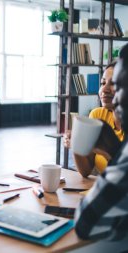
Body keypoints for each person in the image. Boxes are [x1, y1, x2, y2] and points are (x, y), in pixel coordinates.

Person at [74, 43, 128, 241]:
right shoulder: (99, 116)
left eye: (118, 85)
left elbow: (86, 223)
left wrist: (113, 152)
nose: (110, 94)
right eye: (103, 83)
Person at [63, 62, 125, 177]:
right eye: (103, 83)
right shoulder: (98, 115)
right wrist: (77, 146)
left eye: (113, 84)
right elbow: (86, 170)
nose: (104, 89)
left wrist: (107, 151)